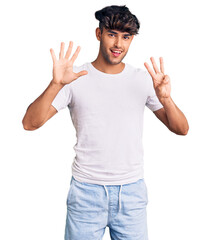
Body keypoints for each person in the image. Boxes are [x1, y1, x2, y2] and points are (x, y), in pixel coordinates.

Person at [22, 5, 189, 240]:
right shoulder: (75, 77)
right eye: (112, 34)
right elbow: (30, 123)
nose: (119, 44)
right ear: (99, 34)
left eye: (126, 37)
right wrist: (56, 84)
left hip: (131, 194)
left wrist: (166, 99)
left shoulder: (142, 79)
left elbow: (182, 129)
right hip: (85, 193)